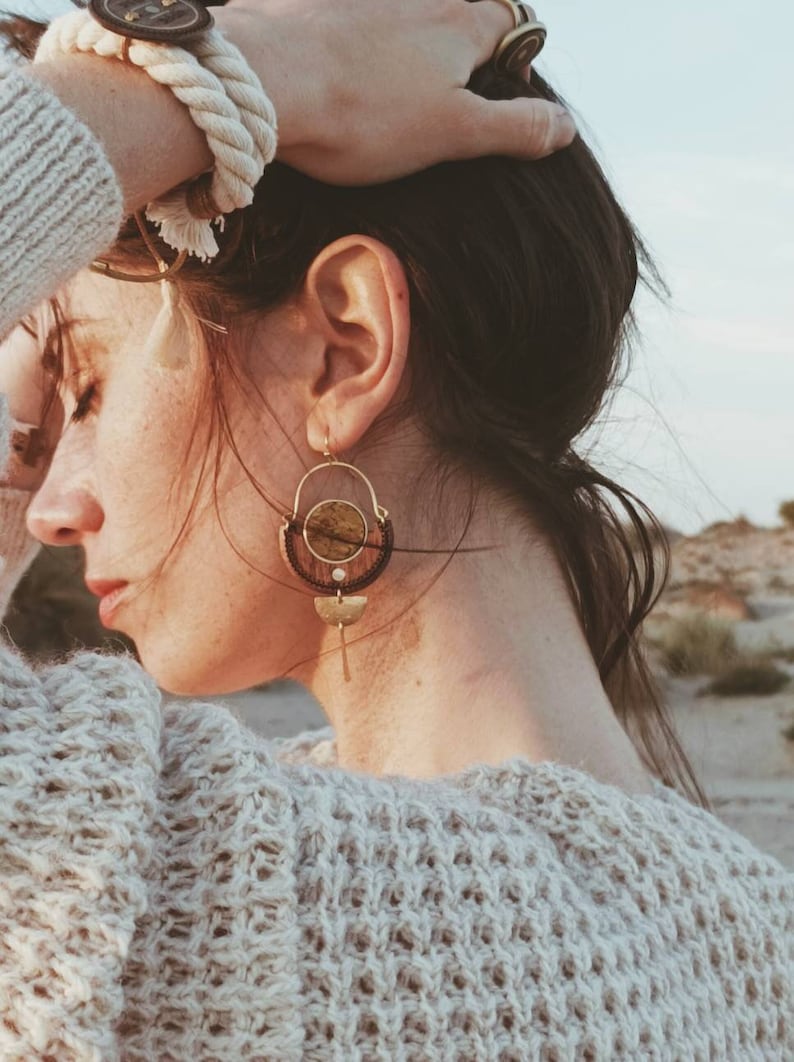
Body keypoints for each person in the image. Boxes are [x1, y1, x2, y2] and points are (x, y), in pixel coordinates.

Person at [0, 2, 791, 1059]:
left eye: (80, 391)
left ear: (344, 345)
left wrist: (224, 81)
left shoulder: (181, 886)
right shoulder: (757, 929)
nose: (49, 504)